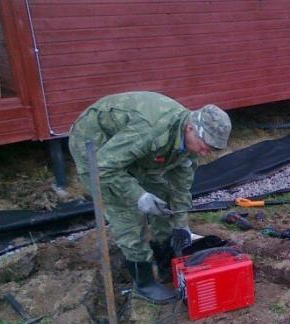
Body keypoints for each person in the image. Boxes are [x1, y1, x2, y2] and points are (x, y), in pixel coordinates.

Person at [68, 91, 231, 304]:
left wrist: (181, 224)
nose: (204, 153)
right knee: (127, 212)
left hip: (136, 153)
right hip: (95, 145)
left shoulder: (188, 143)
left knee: (161, 199)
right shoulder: (151, 130)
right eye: (203, 146)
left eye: (210, 149)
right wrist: (139, 195)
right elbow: (104, 167)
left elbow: (180, 187)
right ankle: (144, 283)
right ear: (190, 127)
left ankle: (165, 263)